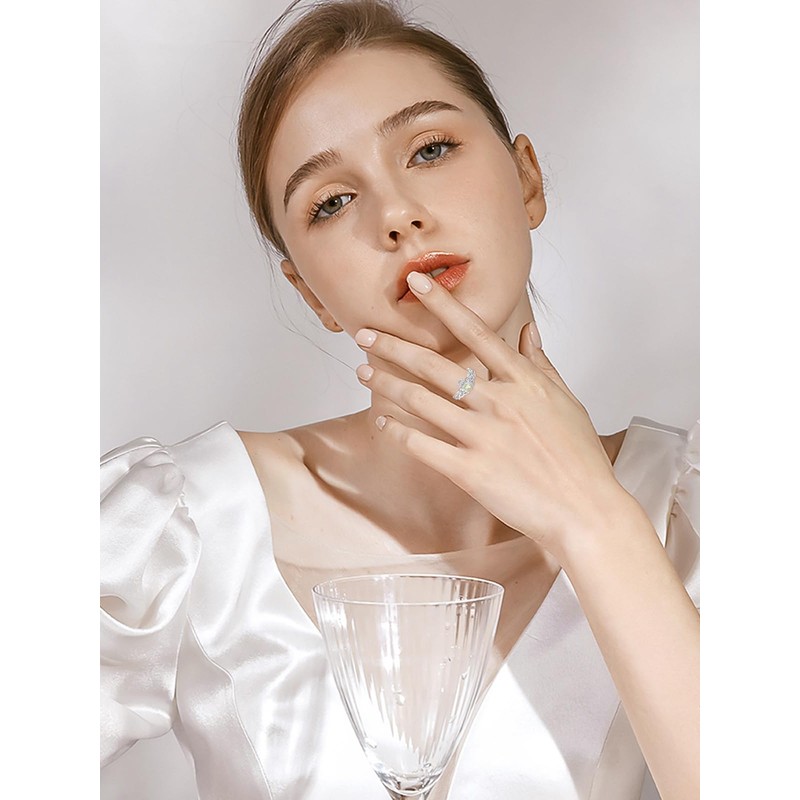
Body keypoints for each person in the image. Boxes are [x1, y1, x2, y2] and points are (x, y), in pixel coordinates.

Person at [100, 1, 699, 798]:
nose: (397, 216)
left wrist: (592, 517)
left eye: (430, 148)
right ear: (309, 293)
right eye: (331, 202)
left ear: (527, 178)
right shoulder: (185, 530)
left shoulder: (693, 514)